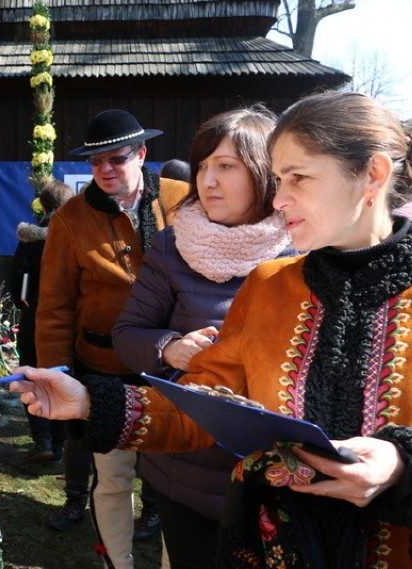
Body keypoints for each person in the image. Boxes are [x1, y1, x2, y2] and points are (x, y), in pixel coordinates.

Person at [12, 91, 412, 567]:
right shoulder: (269, 286)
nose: (279, 198)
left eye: (298, 178)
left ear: (373, 174)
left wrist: (400, 465)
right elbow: (202, 406)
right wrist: (88, 400)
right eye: (279, 179)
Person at [112, 106, 293, 568]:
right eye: (204, 166)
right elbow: (128, 333)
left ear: (265, 174)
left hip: (278, 476)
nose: (208, 180)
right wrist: (170, 347)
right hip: (186, 471)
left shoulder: (305, 247)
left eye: (226, 166)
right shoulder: (172, 246)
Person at [35, 109, 188, 568]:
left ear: (142, 154)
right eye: (95, 160)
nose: (104, 169)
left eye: (116, 159)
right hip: (105, 370)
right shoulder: (70, 219)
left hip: (175, 366)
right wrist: (56, 372)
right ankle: (117, 564)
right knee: (115, 477)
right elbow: (54, 305)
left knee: (174, 482)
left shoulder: (183, 199)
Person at [10, 179, 73, 462]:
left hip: (34, 319)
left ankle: (43, 441)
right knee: (62, 378)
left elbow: (18, 282)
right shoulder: (74, 235)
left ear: (44, 204)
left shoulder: (30, 239)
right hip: (67, 321)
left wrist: (26, 300)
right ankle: (60, 444)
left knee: (32, 376)